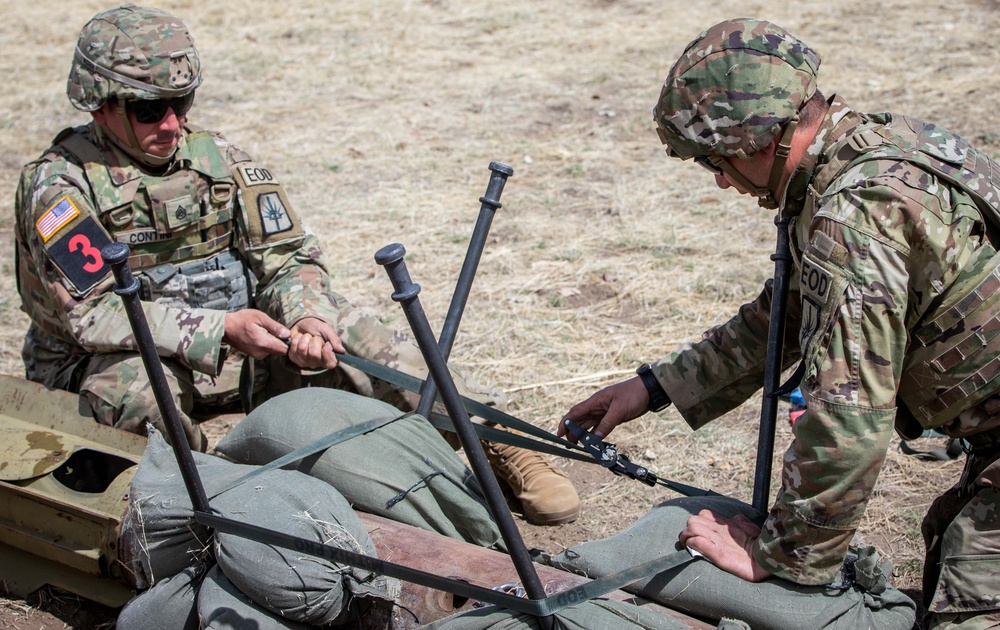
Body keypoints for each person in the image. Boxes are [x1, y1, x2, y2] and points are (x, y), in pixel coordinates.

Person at [14, 3, 578, 526]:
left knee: (357, 329)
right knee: (138, 389)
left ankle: (493, 439)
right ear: (100, 102)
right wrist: (220, 329)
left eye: (180, 104)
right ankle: (208, 500)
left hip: (243, 348)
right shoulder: (59, 187)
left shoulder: (219, 160)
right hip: (116, 362)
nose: (170, 124)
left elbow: (288, 258)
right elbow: (92, 315)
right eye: (147, 110)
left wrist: (308, 319)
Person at [560, 17, 1000, 628]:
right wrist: (655, 387)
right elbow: (788, 310)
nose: (719, 179)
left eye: (718, 160)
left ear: (759, 140)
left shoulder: (853, 217)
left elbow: (848, 414)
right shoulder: (872, 152)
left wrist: (782, 553)